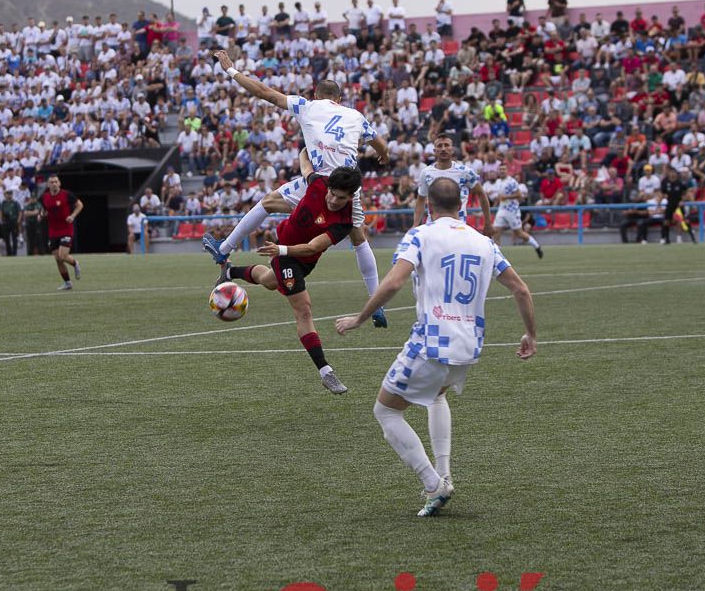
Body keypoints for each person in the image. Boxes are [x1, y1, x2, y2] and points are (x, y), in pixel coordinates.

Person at [335, 179, 537, 517]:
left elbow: (395, 280)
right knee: (436, 396)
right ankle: (444, 474)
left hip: (431, 340)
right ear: (461, 204)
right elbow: (521, 289)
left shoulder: (421, 235)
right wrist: (530, 334)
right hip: (469, 345)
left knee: (386, 411)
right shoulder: (485, 243)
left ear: (428, 206)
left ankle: (433, 483)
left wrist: (361, 316)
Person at [203, 50, 393, 326]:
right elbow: (380, 144)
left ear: (316, 96)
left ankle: (225, 247)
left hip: (316, 183)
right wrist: (384, 155)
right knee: (358, 237)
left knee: (268, 202)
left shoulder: (307, 106)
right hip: (349, 188)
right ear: (339, 100)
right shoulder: (356, 115)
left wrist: (231, 71)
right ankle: (376, 303)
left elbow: (266, 93)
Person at [216, 166, 364, 395]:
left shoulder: (345, 221)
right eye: (332, 193)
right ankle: (325, 371)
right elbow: (306, 164)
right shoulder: (317, 183)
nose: (334, 200)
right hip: (287, 254)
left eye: (341, 198)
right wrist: (307, 148)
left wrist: (281, 249)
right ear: (327, 187)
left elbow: (314, 247)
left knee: (270, 280)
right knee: (303, 310)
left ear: (351, 196)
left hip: (303, 257)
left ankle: (230, 272)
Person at [412, 136, 492, 229]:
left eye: (446, 145)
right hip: (434, 227)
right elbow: (421, 200)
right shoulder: (426, 173)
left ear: (452, 149)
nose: (443, 149)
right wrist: (415, 224)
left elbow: (481, 194)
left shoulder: (465, 171)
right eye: (439, 146)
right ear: (434, 151)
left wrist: (488, 223)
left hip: (458, 226)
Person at [39, 175, 83, 290]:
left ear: (59, 183)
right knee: (58, 259)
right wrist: (40, 215)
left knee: (62, 256)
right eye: (51, 182)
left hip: (66, 229)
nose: (54, 184)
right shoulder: (44, 197)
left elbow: (80, 205)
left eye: (56, 181)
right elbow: (44, 211)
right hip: (53, 231)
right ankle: (68, 283)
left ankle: (75, 263)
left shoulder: (66, 194)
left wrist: (72, 216)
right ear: (48, 185)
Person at [485, 171, 543, 257]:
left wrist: (506, 197)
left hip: (512, 211)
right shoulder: (498, 182)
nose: (502, 172)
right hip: (502, 210)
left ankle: (537, 246)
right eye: (500, 169)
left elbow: (519, 196)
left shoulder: (512, 182)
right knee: (496, 232)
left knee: (519, 233)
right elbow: (497, 195)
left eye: (504, 169)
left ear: (506, 171)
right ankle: (498, 257)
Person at [659, 167, 695, 244]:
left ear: (676, 173)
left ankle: (693, 238)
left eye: (673, 172)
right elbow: (662, 193)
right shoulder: (665, 182)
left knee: (684, 220)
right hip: (670, 204)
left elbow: (686, 193)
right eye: (671, 172)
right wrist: (659, 203)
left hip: (678, 204)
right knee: (666, 222)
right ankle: (666, 239)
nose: (672, 174)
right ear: (669, 173)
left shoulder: (680, 182)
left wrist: (682, 200)